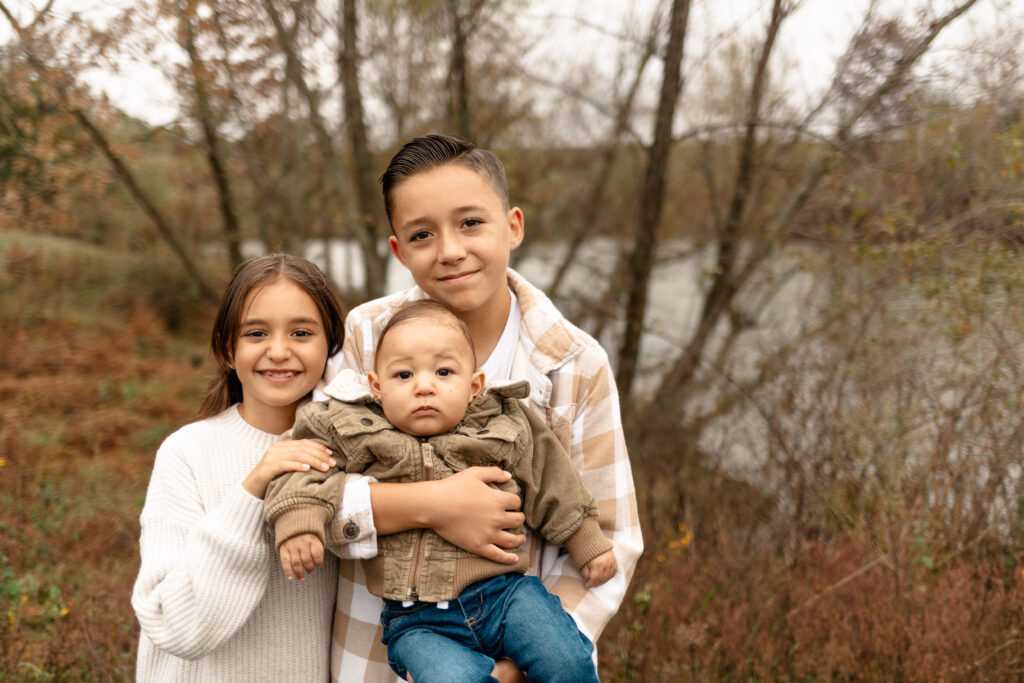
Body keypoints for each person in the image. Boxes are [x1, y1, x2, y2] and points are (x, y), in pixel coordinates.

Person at [303, 134, 644, 682]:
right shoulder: (366, 335)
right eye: (422, 234)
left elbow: (611, 537)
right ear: (398, 251)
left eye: (470, 224)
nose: (450, 250)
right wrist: (433, 504)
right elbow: (313, 491)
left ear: (512, 225)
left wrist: (511, 669)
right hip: (377, 654)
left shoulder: (575, 363)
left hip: (524, 652)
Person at [265, 300, 617, 682]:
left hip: (507, 596)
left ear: (474, 386)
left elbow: (551, 475)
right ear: (376, 387)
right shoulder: (351, 426)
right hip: (417, 620)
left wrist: (584, 536)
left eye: (444, 372)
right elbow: (301, 466)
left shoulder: (502, 423)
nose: (424, 386)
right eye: (403, 375)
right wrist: (300, 520)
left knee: (567, 660)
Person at [131, 254, 348, 681]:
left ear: (330, 346)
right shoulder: (186, 452)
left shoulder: (346, 454)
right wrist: (253, 489)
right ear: (228, 349)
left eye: (302, 333)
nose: (280, 351)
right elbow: (174, 626)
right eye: (256, 333)